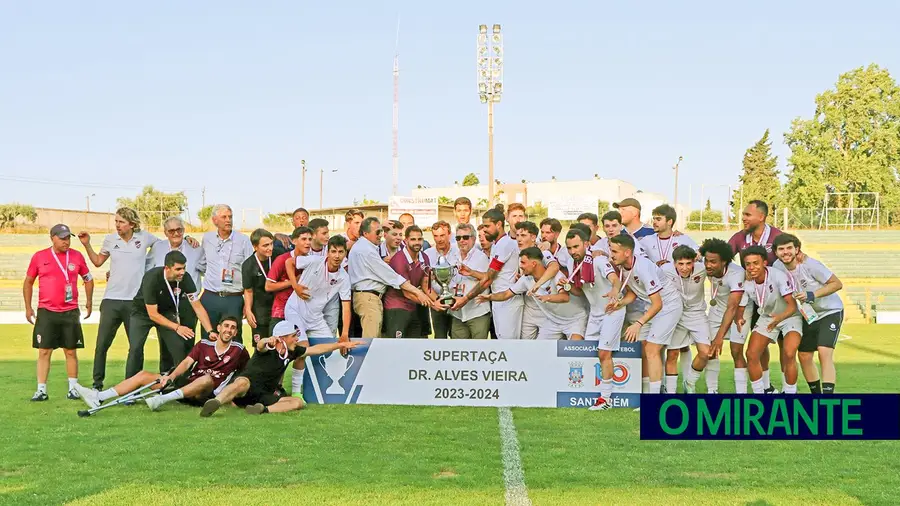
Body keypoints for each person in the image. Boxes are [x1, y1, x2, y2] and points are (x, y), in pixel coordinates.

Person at [78, 208, 173, 391]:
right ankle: (97, 385)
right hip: (111, 300)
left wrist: (186, 240)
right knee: (102, 345)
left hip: (135, 302)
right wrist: (87, 244)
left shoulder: (145, 237)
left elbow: (166, 244)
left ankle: (131, 386)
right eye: (116, 222)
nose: (117, 225)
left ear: (132, 223)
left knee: (136, 347)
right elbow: (98, 261)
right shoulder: (110, 240)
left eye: (121, 222)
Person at [74, 315, 249, 411]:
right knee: (144, 375)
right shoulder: (204, 344)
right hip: (187, 385)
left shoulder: (239, 350)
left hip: (206, 393)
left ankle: (161, 400)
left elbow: (245, 375)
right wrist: (170, 377)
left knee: (207, 379)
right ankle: (99, 397)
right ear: (218, 328)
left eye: (233, 328)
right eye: (226, 326)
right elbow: (187, 363)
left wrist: (230, 396)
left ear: (236, 332)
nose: (229, 330)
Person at [199, 322, 363, 416]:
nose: (297, 339)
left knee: (297, 402)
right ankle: (216, 403)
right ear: (282, 338)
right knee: (242, 382)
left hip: (263, 395)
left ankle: (262, 410)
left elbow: (317, 349)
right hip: (245, 390)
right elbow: (261, 345)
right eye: (294, 336)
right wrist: (266, 340)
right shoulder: (267, 348)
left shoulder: (293, 351)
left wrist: (341, 344)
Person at [605, 234, 682, 397]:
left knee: (652, 349)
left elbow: (658, 303)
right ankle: (647, 395)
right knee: (645, 350)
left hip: (668, 306)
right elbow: (633, 293)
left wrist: (638, 323)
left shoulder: (643, 267)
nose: (611, 254)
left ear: (627, 252)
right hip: (652, 305)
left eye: (614, 251)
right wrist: (619, 304)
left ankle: (653, 400)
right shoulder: (622, 266)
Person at [24, 224, 94, 401]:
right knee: (44, 351)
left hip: (70, 311)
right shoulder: (40, 257)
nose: (66, 241)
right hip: (47, 311)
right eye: (62, 238)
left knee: (70, 351)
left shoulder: (77, 256)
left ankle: (73, 388)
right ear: (52, 238)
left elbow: (88, 279)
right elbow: (28, 282)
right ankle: (41, 390)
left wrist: (89, 300)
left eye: (68, 238)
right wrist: (28, 307)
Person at [127, 251, 218, 379]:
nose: (182, 272)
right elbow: (153, 314)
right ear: (167, 268)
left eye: (184, 268)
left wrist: (210, 330)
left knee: (179, 347)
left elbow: (197, 307)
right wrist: (177, 327)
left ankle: (180, 386)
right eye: (178, 269)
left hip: (166, 312)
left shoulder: (185, 278)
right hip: (143, 314)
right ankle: (130, 387)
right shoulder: (152, 277)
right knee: (135, 348)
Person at [772, 234, 844, 393]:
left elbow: (837, 284)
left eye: (789, 248)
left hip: (830, 310)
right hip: (808, 314)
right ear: (776, 252)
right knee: (804, 356)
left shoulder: (810, 264)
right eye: (781, 249)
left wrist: (812, 295)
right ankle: (816, 395)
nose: (786, 252)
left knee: (824, 352)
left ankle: (827, 398)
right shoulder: (777, 267)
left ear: (797, 249)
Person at [284, 235, 352, 395]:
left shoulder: (344, 277)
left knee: (331, 348)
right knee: (303, 348)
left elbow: (346, 306)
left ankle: (324, 388)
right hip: (296, 310)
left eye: (340, 252)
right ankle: (296, 393)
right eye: (333, 251)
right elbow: (289, 262)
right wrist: (295, 286)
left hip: (315, 317)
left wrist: (344, 334)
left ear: (345, 254)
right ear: (328, 252)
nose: (336, 256)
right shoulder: (314, 260)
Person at [641, 204, 699, 388]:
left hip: (677, 298)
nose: (654, 222)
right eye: (653, 218)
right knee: (657, 346)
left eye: (658, 219)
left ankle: (685, 384)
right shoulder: (646, 240)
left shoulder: (684, 239)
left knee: (678, 346)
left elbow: (699, 258)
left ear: (670, 221)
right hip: (654, 297)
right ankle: (662, 386)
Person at [349, 217, 433, 337]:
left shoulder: (367, 247)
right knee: (371, 340)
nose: (380, 235)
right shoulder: (365, 250)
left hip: (372, 297)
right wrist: (419, 294)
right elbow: (392, 277)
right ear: (365, 233)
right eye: (377, 232)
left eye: (381, 231)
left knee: (375, 338)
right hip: (368, 298)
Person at [736, 246, 803, 394]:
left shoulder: (777, 276)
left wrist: (779, 318)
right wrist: (739, 318)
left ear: (764, 262)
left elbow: (792, 306)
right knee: (751, 354)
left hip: (789, 316)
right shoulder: (746, 282)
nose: (752, 267)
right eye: (748, 264)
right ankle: (760, 392)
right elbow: (741, 306)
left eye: (756, 263)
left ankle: (790, 393)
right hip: (767, 317)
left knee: (789, 353)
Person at [477, 247, 584, 340]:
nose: (521, 266)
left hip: (574, 319)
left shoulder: (557, 275)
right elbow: (506, 294)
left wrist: (547, 297)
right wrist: (490, 297)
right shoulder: (525, 279)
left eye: (523, 262)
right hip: (553, 322)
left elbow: (564, 297)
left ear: (533, 264)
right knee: (538, 351)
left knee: (575, 350)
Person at [452, 208, 523, 340]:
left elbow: (488, 279)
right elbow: (491, 276)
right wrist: (472, 272)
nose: (484, 230)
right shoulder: (497, 244)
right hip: (499, 300)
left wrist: (465, 299)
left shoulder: (505, 245)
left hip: (508, 301)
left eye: (487, 226)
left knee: (508, 346)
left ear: (498, 224)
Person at [197, 204, 253, 342]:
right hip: (210, 296)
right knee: (207, 339)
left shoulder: (243, 240)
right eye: (224, 217)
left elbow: (250, 272)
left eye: (230, 217)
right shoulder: (207, 238)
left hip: (233, 298)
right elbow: (202, 264)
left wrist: (248, 305)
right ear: (215, 220)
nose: (228, 220)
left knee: (233, 340)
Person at [699, 238, 746, 394]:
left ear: (724, 261)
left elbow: (732, 307)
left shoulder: (737, 273)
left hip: (740, 310)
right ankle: (712, 391)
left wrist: (720, 337)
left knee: (736, 351)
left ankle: (742, 393)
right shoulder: (705, 267)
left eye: (713, 262)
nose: (708, 265)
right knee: (711, 351)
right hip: (717, 309)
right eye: (706, 260)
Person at [664, 246, 712, 394]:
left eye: (688, 263)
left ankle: (689, 382)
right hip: (676, 314)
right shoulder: (665, 270)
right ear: (674, 263)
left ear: (694, 262)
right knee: (672, 354)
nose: (684, 268)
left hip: (697, 313)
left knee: (705, 353)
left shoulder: (702, 268)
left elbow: (720, 264)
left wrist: (702, 255)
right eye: (680, 264)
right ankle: (671, 393)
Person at [383, 225, 436, 338]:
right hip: (396, 308)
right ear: (406, 240)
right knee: (396, 346)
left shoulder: (425, 257)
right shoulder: (399, 259)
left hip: (414, 306)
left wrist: (439, 301)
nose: (417, 242)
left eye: (419, 239)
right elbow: (406, 292)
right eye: (413, 239)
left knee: (414, 345)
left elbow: (426, 285)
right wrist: (432, 304)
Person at [265, 227, 312, 334]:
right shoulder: (282, 259)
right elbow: (268, 286)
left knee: (302, 348)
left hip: (303, 313)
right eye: (304, 239)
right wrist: (293, 282)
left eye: (310, 239)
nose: (308, 243)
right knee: (277, 348)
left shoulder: (311, 261)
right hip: (281, 312)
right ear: (294, 241)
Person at [448, 224, 492, 339]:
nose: (462, 241)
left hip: (477, 311)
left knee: (478, 351)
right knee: (458, 352)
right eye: (458, 238)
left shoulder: (481, 257)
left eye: (465, 237)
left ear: (473, 238)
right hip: (457, 313)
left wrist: (472, 272)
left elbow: (486, 280)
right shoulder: (451, 256)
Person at [424, 221, 459, 339]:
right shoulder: (427, 255)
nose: (439, 239)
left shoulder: (458, 251)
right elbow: (425, 283)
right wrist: (436, 301)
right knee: (439, 338)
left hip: (457, 302)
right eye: (436, 236)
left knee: (457, 337)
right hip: (438, 302)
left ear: (449, 235)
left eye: (442, 235)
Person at [242, 229, 276, 345]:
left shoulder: (277, 255)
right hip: (260, 311)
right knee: (261, 347)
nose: (270, 248)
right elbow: (248, 291)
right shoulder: (248, 265)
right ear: (255, 247)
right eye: (265, 245)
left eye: (271, 244)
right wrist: (248, 310)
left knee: (279, 346)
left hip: (279, 310)